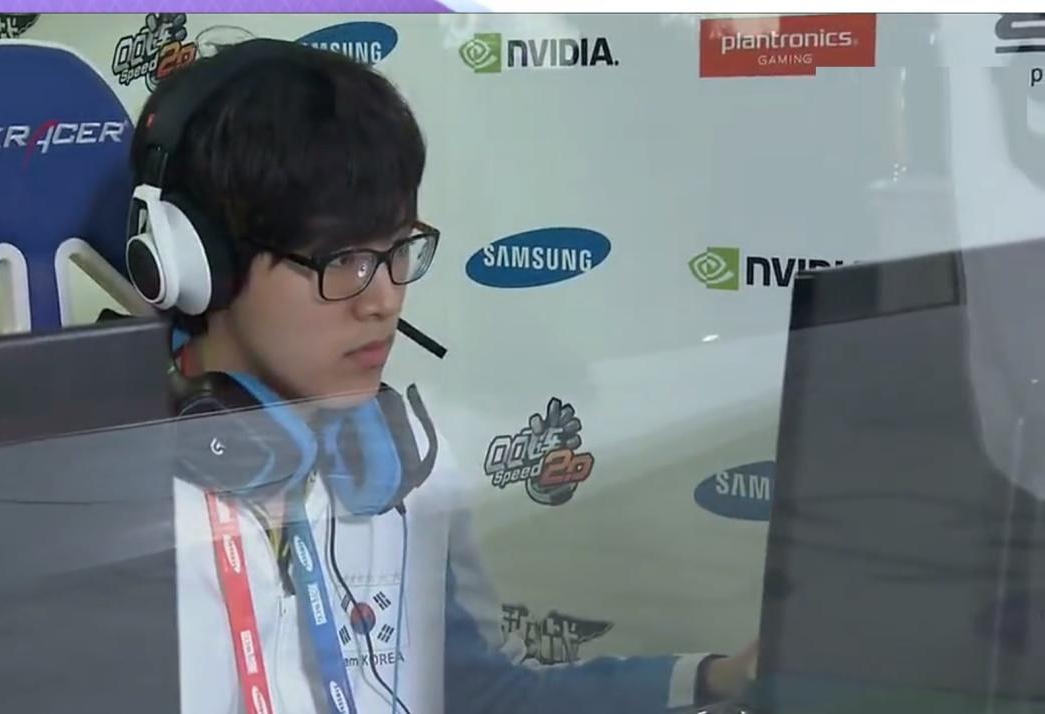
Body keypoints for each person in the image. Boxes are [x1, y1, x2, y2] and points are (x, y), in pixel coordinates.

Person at [126, 38, 756, 714]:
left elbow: (481, 697)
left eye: (398, 249)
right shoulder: (119, 505)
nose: (384, 298)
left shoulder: (402, 470)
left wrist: (717, 682)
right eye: (341, 260)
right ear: (205, 266)